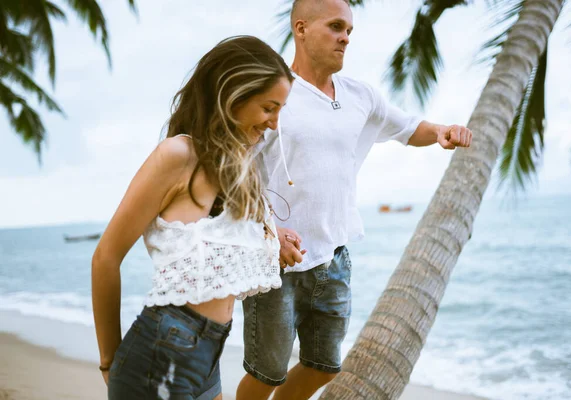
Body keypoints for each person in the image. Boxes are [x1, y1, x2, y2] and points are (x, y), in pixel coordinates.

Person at [236, 1, 473, 400]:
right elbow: (237, 170)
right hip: (275, 258)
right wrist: (268, 231)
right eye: (335, 27)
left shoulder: (360, 95)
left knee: (322, 366)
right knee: (267, 373)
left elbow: (408, 126)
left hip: (334, 256)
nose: (345, 37)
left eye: (349, 29)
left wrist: (441, 131)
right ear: (302, 28)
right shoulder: (275, 93)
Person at [91, 35, 293, 400]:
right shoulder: (177, 155)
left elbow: (221, 250)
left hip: (208, 359)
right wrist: (109, 359)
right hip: (160, 356)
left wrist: (274, 240)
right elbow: (106, 256)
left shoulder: (239, 171)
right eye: (269, 107)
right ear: (233, 94)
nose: (274, 123)